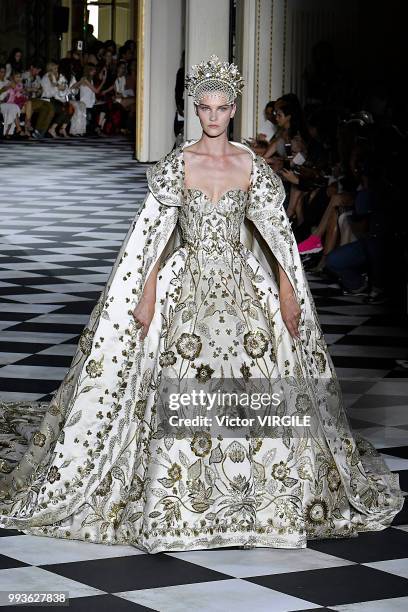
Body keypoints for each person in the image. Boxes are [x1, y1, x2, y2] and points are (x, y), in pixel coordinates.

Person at [0, 55, 403, 554]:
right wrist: (146, 292)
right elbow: (150, 236)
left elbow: (276, 235)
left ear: (232, 110)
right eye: (205, 108)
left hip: (242, 286)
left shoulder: (249, 164)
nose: (212, 117)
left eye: (221, 108)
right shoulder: (178, 164)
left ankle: (257, 496)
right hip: (185, 285)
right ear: (196, 109)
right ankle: (183, 499)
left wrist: (287, 289)